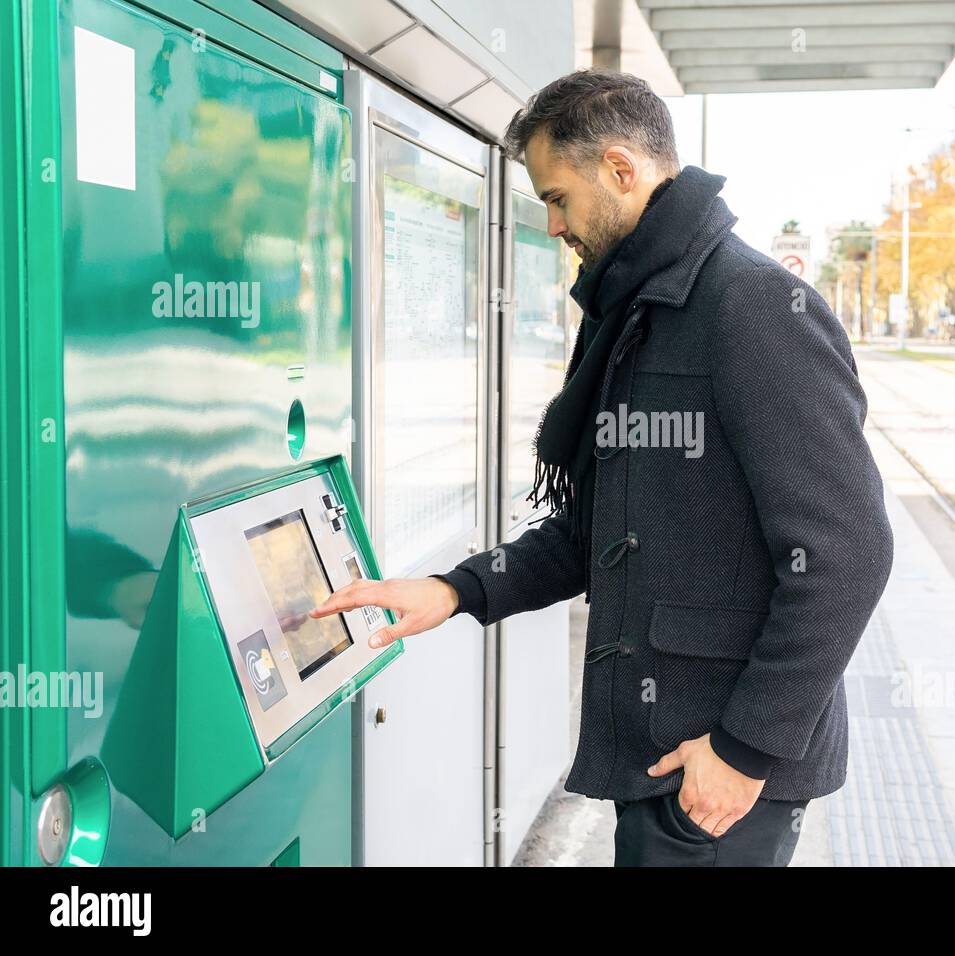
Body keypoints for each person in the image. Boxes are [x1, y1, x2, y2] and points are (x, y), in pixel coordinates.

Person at [311, 69, 895, 867]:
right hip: (660, 756)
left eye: (557, 198)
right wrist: (454, 592)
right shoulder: (636, 311)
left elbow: (849, 551)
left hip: (712, 769)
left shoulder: (750, 306)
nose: (553, 226)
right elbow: (596, 529)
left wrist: (746, 748)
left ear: (621, 170)